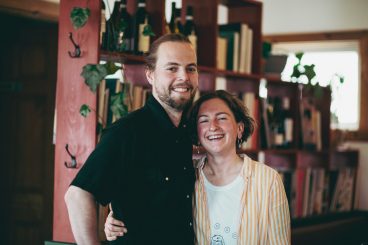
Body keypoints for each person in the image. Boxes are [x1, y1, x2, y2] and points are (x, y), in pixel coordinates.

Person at [105, 90, 291, 244]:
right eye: (204, 120)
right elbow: (152, 212)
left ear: (239, 128)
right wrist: (114, 220)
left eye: (222, 118)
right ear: (197, 132)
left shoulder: (268, 180)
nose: (213, 127)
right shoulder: (185, 176)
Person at [64, 33, 199, 245]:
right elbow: (77, 195)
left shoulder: (189, 131)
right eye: (172, 68)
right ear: (151, 75)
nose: (184, 76)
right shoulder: (128, 132)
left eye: (191, 68)